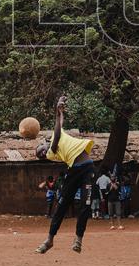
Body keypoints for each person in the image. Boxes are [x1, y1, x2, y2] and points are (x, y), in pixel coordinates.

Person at [34, 95, 95, 254]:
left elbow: (60, 123)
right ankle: (49, 240)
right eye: (40, 151)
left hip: (88, 168)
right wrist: (57, 110)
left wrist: (59, 110)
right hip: (74, 171)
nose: (41, 149)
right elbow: (58, 131)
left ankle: (78, 239)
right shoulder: (51, 150)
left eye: (40, 147)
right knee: (61, 206)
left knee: (86, 205)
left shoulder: (55, 136)